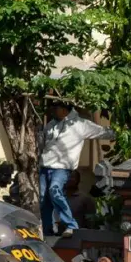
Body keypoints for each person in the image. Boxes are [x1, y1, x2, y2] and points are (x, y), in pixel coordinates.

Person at [37, 100, 113, 237]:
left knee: (55, 191)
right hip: (45, 165)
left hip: (62, 167)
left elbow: (101, 132)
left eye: (56, 108)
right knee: (44, 198)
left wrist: (117, 132)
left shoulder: (79, 124)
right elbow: (44, 145)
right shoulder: (51, 124)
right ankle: (47, 229)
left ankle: (70, 225)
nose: (53, 111)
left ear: (65, 109)